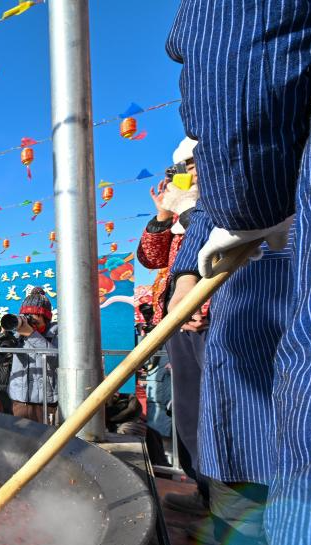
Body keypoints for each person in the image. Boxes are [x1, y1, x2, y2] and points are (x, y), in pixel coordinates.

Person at [167, 1, 311, 545]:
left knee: (283, 489)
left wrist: (243, 204)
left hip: (274, 301)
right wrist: (183, 275)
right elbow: (208, 209)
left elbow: (243, 51)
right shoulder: (205, 185)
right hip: (247, 318)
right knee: (249, 491)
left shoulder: (244, 144)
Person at [137, 138, 210, 517]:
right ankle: (204, 492)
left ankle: (237, 509)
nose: (187, 173)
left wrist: (204, 306)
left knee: (224, 413)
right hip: (177, 326)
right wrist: (164, 216)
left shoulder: (224, 204)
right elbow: (150, 257)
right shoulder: (183, 215)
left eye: (193, 165)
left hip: (210, 322)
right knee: (190, 412)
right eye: (182, 168)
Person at [7, 288, 58, 424]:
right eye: (26, 315)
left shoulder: (57, 333)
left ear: (46, 318)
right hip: (19, 403)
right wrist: (2, 339)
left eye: (34, 316)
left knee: (48, 443)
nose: (29, 321)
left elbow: (57, 359)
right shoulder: (17, 335)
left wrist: (31, 335)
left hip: (46, 405)